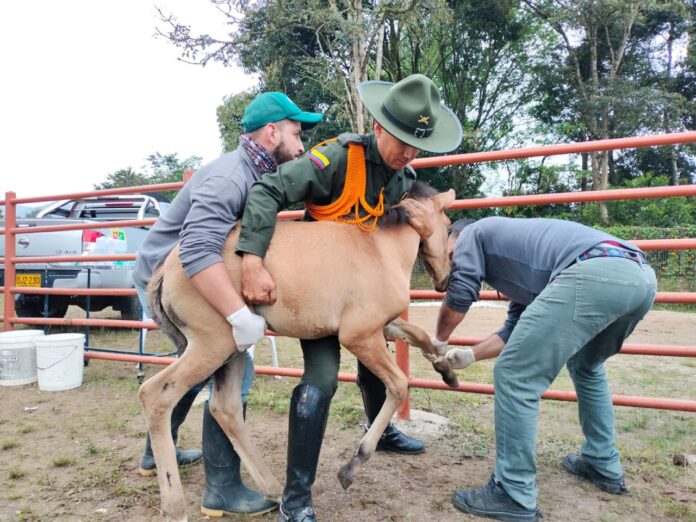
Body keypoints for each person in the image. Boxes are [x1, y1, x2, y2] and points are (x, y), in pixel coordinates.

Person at [235, 74, 463, 522]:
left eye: (419, 145)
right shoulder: (335, 158)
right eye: (402, 142)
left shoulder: (405, 179)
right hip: (318, 283)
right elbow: (268, 190)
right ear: (379, 128)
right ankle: (295, 498)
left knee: (374, 347)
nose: (410, 153)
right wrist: (251, 258)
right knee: (321, 374)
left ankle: (382, 428)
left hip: (361, 282)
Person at [132, 91, 322, 517]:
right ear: (272, 132)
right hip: (167, 276)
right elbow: (198, 250)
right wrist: (238, 316)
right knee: (226, 363)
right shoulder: (231, 176)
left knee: (197, 363)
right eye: (297, 132)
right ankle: (221, 488)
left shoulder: (259, 172)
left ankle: (153, 452)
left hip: (186, 271)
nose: (302, 142)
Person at [432, 217, 657, 521]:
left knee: (514, 375)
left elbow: (462, 290)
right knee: (586, 365)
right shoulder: (524, 264)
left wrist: (439, 341)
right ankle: (601, 461)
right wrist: (471, 355)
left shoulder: (473, 231)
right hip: (639, 276)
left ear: (453, 237)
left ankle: (512, 492)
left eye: (447, 252)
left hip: (591, 271)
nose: (449, 259)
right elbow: (515, 328)